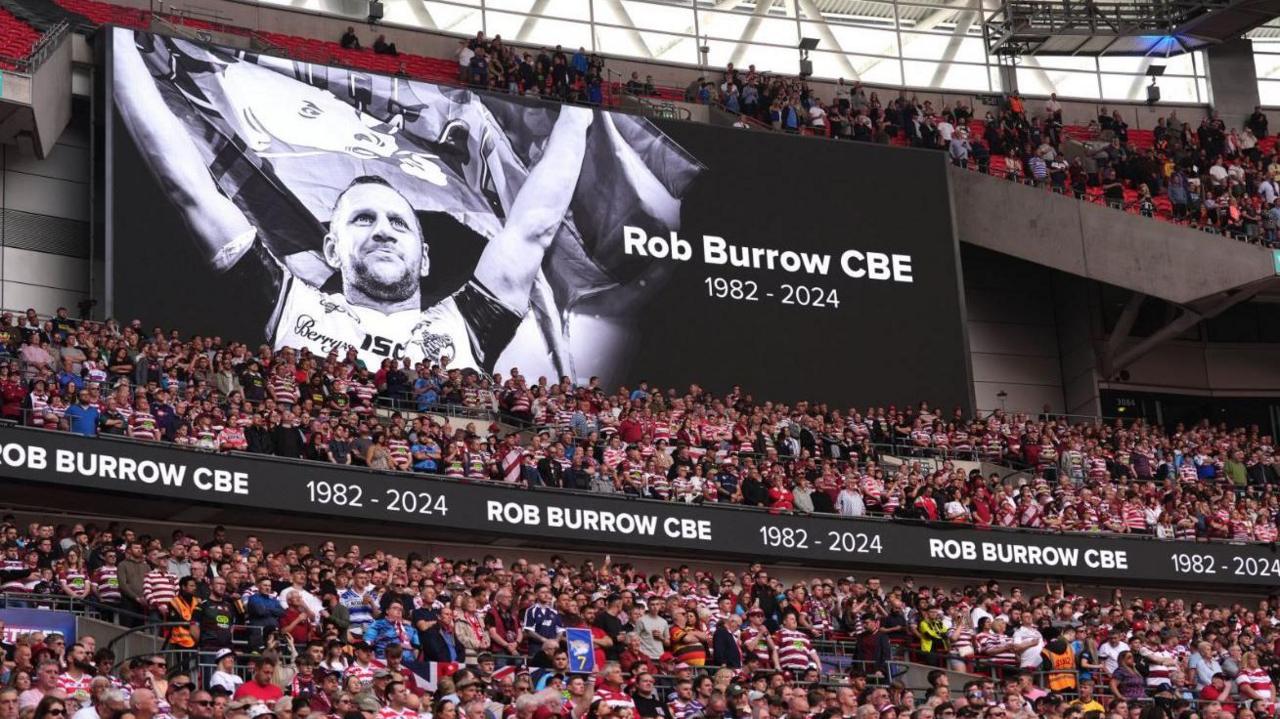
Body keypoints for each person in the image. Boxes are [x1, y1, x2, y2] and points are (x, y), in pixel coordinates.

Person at [113, 35, 595, 374]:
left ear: (425, 257)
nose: (383, 230)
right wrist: (116, 40)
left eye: (399, 223)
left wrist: (577, 118)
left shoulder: (466, 325)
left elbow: (534, 225)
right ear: (331, 248)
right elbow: (189, 187)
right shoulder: (291, 305)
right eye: (362, 219)